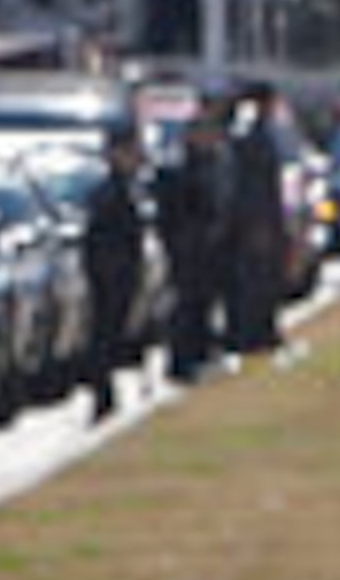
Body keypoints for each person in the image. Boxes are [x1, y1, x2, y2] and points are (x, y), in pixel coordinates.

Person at [78, 126, 147, 424]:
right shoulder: (108, 193)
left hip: (122, 271)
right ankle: (101, 392)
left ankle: (106, 389)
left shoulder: (129, 189)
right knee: (104, 334)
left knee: (114, 333)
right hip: (110, 273)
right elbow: (99, 239)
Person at [155, 107, 229, 381]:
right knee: (186, 304)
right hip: (187, 249)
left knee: (203, 303)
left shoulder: (214, 164)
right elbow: (175, 212)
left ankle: (201, 351)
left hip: (207, 249)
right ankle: (182, 358)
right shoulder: (178, 169)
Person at [223, 87, 289, 358]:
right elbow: (252, 187)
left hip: (268, 219)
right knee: (255, 280)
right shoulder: (251, 139)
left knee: (268, 277)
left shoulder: (264, 136)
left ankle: (265, 330)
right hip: (257, 222)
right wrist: (256, 224)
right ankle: (253, 334)